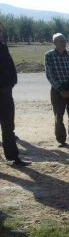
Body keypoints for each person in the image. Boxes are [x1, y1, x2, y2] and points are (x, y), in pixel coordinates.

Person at [45, 33, 69, 147]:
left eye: (64, 41)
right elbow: (49, 74)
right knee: (59, 115)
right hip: (58, 90)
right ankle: (61, 139)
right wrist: (61, 89)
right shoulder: (49, 55)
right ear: (55, 43)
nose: (63, 43)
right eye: (61, 41)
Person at [0, 22, 30, 166]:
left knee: (8, 128)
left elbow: (11, 69)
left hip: (5, 95)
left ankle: (13, 157)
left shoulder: (3, 48)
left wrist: (10, 85)